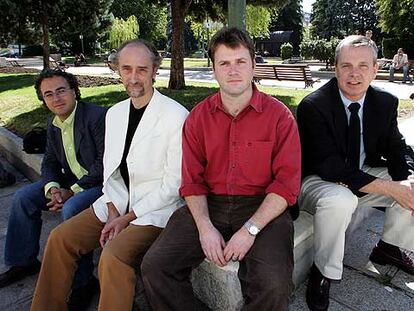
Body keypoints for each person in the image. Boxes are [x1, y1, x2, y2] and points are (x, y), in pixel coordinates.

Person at [141, 27, 301, 311]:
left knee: (274, 285)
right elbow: (192, 182)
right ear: (213, 69)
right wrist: (204, 228)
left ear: (253, 64)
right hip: (209, 203)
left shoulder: (280, 117)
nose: (233, 70)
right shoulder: (198, 118)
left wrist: (249, 230)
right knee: (155, 266)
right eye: (224, 63)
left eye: (240, 62)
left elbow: (286, 185)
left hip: (262, 206)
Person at [31, 39, 188, 311]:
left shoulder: (176, 116)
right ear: (118, 70)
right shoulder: (114, 114)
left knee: (112, 256)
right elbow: (111, 170)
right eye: (127, 69)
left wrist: (126, 218)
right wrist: (114, 211)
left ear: (154, 71)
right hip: (116, 202)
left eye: (142, 69)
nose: (134, 77)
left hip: (155, 210)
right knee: (59, 239)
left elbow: (173, 185)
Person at [297, 35, 414, 311]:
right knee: (342, 199)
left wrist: (408, 178)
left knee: (409, 184)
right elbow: (329, 166)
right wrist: (390, 189)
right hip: (318, 181)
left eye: (363, 65)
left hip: (359, 172)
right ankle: (323, 271)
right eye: (346, 65)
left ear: (376, 69)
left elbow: (398, 148)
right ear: (335, 68)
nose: (354, 74)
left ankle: (389, 248)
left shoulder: (384, 103)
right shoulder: (313, 106)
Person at [0, 69, 106, 305]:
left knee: (72, 209)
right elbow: (49, 160)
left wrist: (72, 192)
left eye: (61, 91)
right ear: (43, 99)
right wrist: (53, 188)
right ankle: (23, 261)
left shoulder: (97, 116)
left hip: (102, 184)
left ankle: (84, 281)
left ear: (74, 91)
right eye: (48, 94)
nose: (56, 98)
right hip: (70, 182)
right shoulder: (53, 122)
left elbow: (105, 164)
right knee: (23, 197)